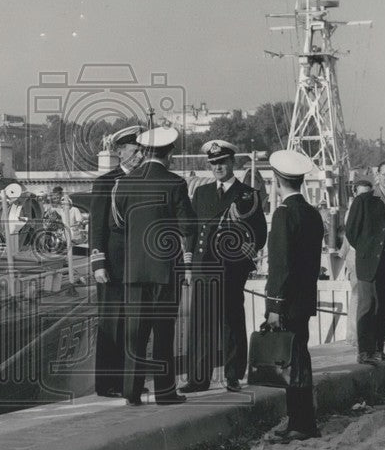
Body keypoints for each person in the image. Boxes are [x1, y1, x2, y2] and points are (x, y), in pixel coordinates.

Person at [112, 126, 195, 405]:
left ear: (145, 151)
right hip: (165, 271)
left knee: (135, 333)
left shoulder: (124, 183)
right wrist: (188, 258)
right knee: (163, 332)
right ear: (169, 152)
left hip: (134, 270)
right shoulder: (175, 183)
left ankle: (131, 391)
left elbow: (119, 223)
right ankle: (165, 392)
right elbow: (188, 227)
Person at [181, 140, 266, 393]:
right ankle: (198, 378)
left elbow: (260, 232)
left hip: (231, 267)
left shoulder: (247, 194)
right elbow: (193, 231)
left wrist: (249, 246)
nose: (218, 167)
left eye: (222, 162)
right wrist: (188, 263)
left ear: (232, 163)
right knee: (201, 322)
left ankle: (233, 375)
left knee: (231, 320)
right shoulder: (202, 193)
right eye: (214, 163)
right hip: (203, 266)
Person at [264, 150, 326, 443]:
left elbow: (280, 264)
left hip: (287, 302)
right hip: (305, 299)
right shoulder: (312, 214)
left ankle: (299, 423)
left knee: (292, 363)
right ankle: (305, 420)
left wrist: (274, 305)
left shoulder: (283, 214)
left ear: (277, 181)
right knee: (301, 356)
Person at [89, 126, 143, 397]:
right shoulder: (105, 183)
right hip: (112, 265)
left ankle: (129, 380)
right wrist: (98, 263)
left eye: (142, 150)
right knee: (112, 323)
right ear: (120, 152)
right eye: (134, 151)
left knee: (134, 324)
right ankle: (108, 383)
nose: (140, 156)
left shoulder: (146, 181)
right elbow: (96, 227)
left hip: (138, 266)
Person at [345, 160, 385, 365]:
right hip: (368, 261)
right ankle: (364, 351)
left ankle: (378, 349)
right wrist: (367, 249)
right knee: (367, 305)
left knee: (384, 306)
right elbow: (351, 232)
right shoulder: (364, 200)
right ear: (377, 175)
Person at [341, 179, 373, 346]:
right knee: (357, 295)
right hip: (356, 256)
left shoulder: (366, 208)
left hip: (363, 257)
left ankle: (361, 334)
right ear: (355, 194)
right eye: (361, 194)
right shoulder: (354, 210)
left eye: (367, 194)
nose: (364, 197)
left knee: (365, 297)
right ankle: (354, 335)